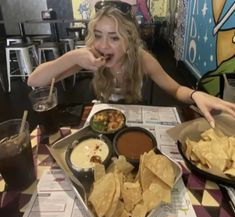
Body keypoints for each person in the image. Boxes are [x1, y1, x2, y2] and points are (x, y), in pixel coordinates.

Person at [27, 1, 235, 128]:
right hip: (104, 123)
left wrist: (196, 94)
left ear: (129, 41)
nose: (103, 45)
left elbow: (176, 88)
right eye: (98, 35)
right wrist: (72, 57)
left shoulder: (142, 59)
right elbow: (34, 80)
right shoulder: (89, 57)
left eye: (114, 38)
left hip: (136, 125)